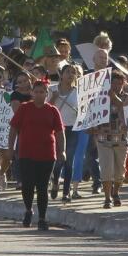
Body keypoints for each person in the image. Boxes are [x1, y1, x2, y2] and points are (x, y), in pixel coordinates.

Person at [10, 77, 64, 230]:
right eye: (37, 91)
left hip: (47, 154)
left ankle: (42, 218)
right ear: (32, 93)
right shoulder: (24, 108)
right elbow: (13, 128)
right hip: (26, 153)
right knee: (27, 185)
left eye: (42, 92)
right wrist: (10, 148)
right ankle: (28, 210)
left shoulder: (53, 110)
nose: (39, 94)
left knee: (42, 187)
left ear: (47, 94)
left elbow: (60, 132)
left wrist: (62, 150)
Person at [94, 69, 128, 208]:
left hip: (121, 138)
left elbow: (126, 109)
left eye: (120, 84)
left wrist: (115, 98)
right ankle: (107, 197)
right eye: (114, 83)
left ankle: (116, 192)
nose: (116, 86)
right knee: (106, 169)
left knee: (120, 171)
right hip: (103, 138)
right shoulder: (100, 98)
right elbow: (92, 116)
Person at [48, 64, 81, 202]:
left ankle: (66, 192)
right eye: (68, 72)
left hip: (72, 128)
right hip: (56, 129)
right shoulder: (51, 89)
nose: (70, 75)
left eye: (73, 72)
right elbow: (46, 108)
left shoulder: (78, 92)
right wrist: (54, 98)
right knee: (58, 160)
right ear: (61, 74)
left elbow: (84, 111)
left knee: (69, 161)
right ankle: (56, 180)